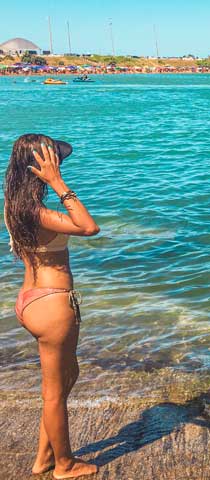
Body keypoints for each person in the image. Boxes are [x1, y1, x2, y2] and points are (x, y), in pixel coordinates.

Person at [3, 134, 100, 479]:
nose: (58, 166)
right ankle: (64, 464)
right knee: (55, 393)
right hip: (53, 304)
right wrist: (58, 183)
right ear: (38, 170)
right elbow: (88, 227)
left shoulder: (13, 205)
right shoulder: (38, 213)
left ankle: (45, 456)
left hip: (30, 301)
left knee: (67, 376)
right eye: (53, 163)